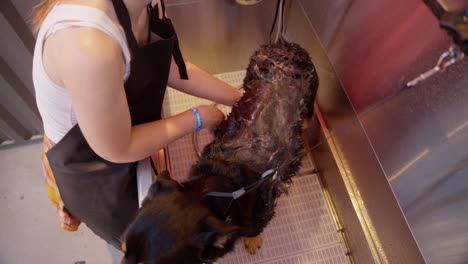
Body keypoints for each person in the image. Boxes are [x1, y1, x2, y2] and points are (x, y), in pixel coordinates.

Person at [31, 0, 243, 249]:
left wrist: (240, 100)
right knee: (140, 240)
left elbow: (168, 67)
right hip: (93, 166)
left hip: (125, 132)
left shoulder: (144, 4)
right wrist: (197, 118)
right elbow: (119, 149)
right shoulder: (87, 47)